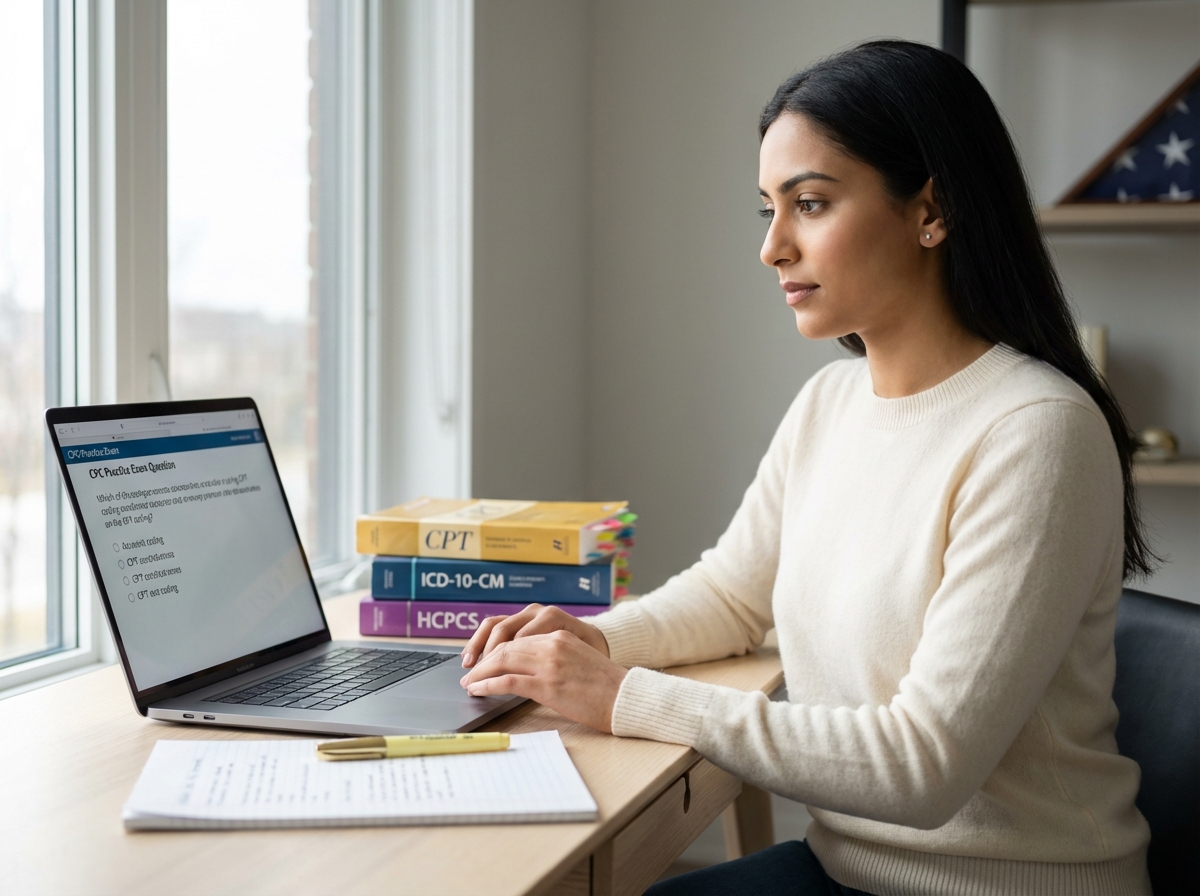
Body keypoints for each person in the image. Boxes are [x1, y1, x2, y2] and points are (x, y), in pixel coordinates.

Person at [460, 40, 1154, 896]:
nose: (774, 249)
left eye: (811, 204)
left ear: (931, 209)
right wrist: (588, 638)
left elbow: (924, 768)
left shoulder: (1038, 432)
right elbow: (731, 595)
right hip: (845, 872)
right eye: (768, 211)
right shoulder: (831, 402)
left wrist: (622, 695)